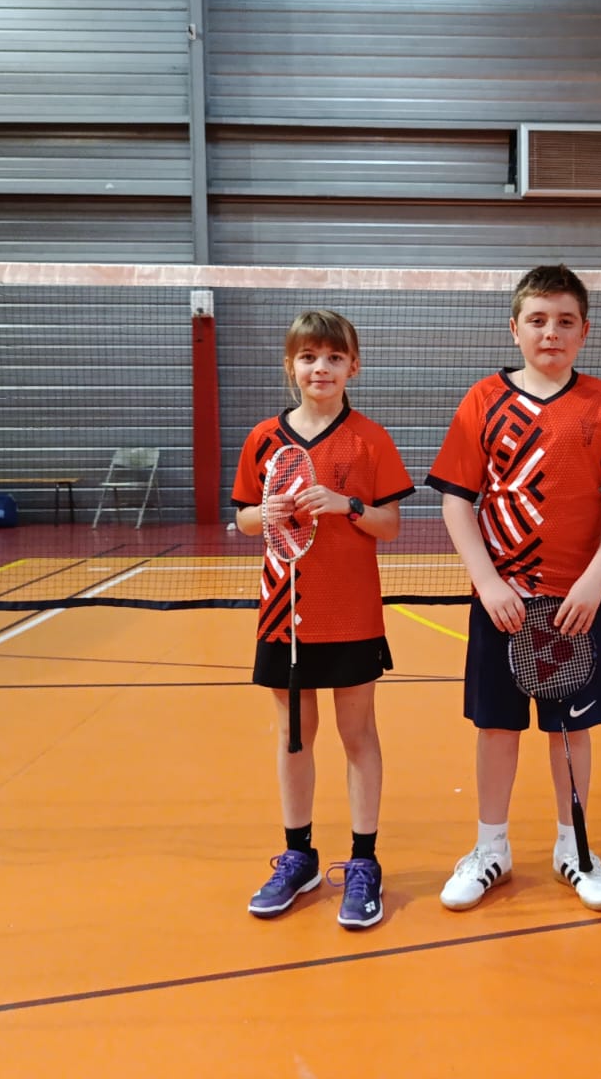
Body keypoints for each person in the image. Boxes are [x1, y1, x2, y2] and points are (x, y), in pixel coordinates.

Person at [427, 264, 601, 913]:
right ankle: (489, 848)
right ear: (514, 328)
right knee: (496, 727)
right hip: (503, 603)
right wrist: (486, 581)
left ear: (585, 332)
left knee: (571, 731)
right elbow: (457, 503)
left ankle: (573, 846)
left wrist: (596, 580)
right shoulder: (482, 400)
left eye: (566, 321)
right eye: (538, 320)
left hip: (574, 606)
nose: (551, 332)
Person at [231, 311, 414, 930]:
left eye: (334, 359)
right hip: (283, 615)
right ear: (291, 367)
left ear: (352, 367)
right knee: (294, 736)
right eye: (309, 358)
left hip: (353, 613)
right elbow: (243, 522)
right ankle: (298, 855)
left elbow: (389, 525)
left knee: (357, 734)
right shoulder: (263, 439)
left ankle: (364, 862)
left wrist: (347, 505)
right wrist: (267, 509)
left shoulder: (371, 439)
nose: (321, 368)